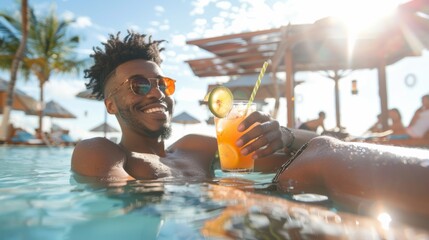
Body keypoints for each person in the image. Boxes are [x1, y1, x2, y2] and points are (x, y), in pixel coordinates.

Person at [71, 31, 315, 181]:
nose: (157, 93)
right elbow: (125, 210)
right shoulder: (100, 152)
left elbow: (313, 147)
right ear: (111, 105)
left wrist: (283, 135)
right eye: (139, 85)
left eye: (163, 84)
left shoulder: (196, 147)